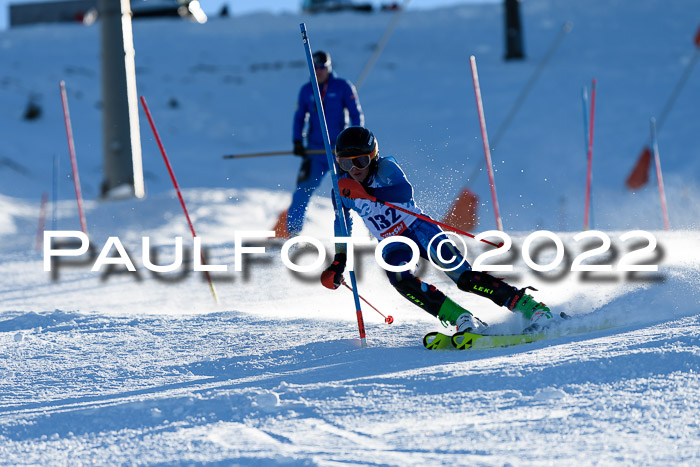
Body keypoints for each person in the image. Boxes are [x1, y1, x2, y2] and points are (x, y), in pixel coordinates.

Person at [320, 126, 555, 334]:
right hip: (392, 244)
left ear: (373, 156)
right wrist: (339, 260)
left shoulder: (385, 169)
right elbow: (342, 225)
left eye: (360, 161)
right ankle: (462, 318)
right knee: (400, 279)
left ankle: (530, 307)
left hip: (419, 229)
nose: (354, 169)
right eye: (346, 163)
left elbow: (404, 193)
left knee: (463, 278)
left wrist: (369, 194)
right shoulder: (341, 190)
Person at [278, 50, 364, 238]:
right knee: (302, 191)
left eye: (322, 68)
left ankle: (368, 232)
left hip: (339, 152)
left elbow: (356, 114)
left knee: (353, 191)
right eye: (315, 68)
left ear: (329, 67)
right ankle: (293, 235)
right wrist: (297, 141)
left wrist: (356, 142)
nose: (319, 71)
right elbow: (299, 117)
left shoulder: (343, 87)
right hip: (315, 152)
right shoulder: (306, 90)